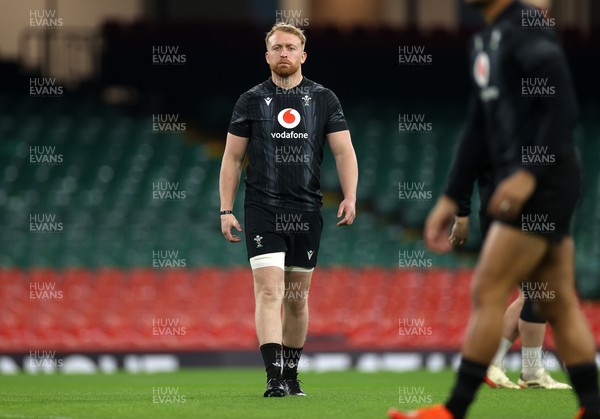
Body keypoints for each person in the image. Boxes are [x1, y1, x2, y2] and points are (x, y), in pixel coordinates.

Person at [388, 1, 600, 418]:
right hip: (545, 181)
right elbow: (479, 125)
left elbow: (562, 105)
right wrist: (452, 196)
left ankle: (454, 410)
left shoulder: (524, 25)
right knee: (556, 301)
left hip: (544, 181)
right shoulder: (485, 38)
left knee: (487, 288)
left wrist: (528, 173)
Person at [219, 23, 358, 397]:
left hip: (308, 210)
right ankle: (273, 378)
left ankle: (292, 376)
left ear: (302, 55)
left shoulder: (324, 99)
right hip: (262, 207)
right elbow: (232, 158)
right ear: (267, 55)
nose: (284, 53)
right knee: (268, 293)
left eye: (290, 47)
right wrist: (225, 209)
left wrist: (350, 196)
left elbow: (344, 151)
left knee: (297, 300)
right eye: (277, 47)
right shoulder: (249, 100)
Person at [449, 165, 571, 390]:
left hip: (514, 216)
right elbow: (464, 168)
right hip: (512, 217)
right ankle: (530, 370)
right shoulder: (504, 134)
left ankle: (495, 364)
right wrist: (461, 215)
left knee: (530, 292)